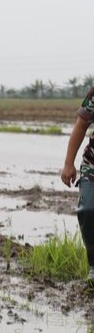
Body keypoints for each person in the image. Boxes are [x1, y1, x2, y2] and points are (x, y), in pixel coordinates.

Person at [61, 86, 94, 280]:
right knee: (88, 210)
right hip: (92, 167)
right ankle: (93, 265)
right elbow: (81, 126)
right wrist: (68, 163)